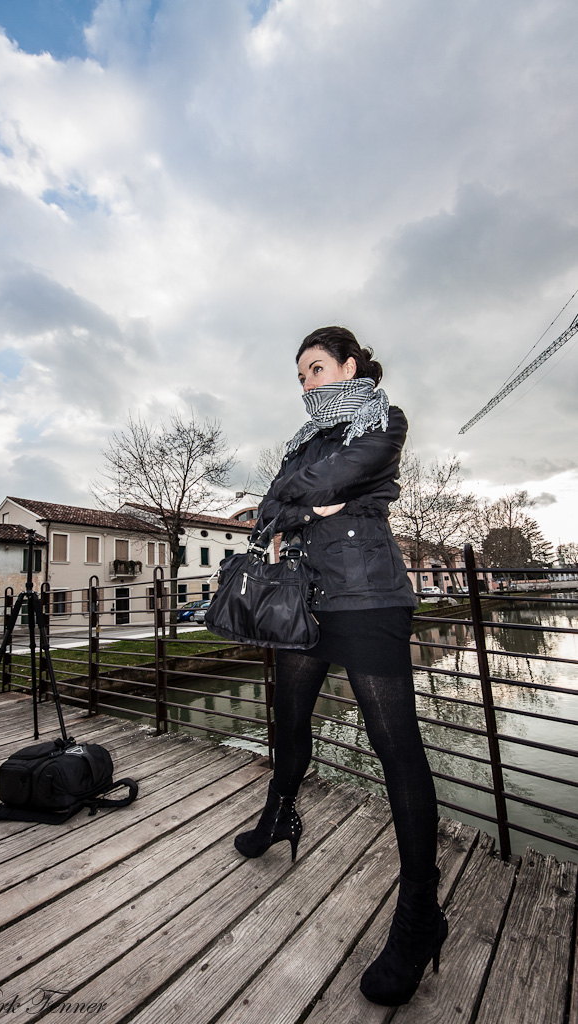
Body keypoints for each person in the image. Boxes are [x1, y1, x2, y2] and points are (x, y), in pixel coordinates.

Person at [234, 325, 447, 1007]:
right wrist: (303, 501)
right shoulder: (305, 441)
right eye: (300, 375)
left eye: (317, 368)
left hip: (368, 597)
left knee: (396, 750)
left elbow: (323, 484)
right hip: (306, 598)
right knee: (289, 719)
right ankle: (279, 815)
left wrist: (309, 499)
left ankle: (420, 914)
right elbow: (277, 503)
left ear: (349, 366)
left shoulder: (383, 419)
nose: (307, 383)